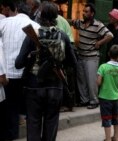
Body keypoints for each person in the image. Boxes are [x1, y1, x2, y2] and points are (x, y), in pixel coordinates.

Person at [15, 2, 77, 140]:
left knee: (33, 123)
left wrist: (31, 56)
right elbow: (73, 64)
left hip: (33, 87)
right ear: (56, 17)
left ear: (40, 16)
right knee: (51, 123)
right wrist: (58, 62)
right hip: (55, 87)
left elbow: (18, 63)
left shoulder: (32, 35)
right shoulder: (63, 36)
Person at [0, 1, 40, 140]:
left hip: (7, 72)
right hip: (26, 74)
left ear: (16, 10)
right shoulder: (35, 26)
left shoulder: (4, 23)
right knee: (26, 106)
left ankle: (11, 134)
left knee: (10, 106)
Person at [70, 3, 113, 109]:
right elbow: (70, 22)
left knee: (91, 80)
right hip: (81, 55)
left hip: (92, 57)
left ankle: (94, 101)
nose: (84, 13)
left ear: (92, 13)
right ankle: (84, 100)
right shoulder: (79, 23)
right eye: (83, 11)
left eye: (86, 12)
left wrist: (99, 43)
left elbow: (110, 35)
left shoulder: (98, 25)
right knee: (81, 80)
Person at [97, 45, 118, 141]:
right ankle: (117, 137)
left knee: (106, 118)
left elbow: (98, 82)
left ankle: (108, 138)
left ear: (109, 54)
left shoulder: (103, 67)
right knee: (115, 118)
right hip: (116, 97)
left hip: (105, 97)